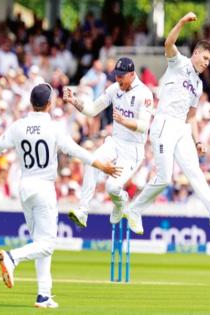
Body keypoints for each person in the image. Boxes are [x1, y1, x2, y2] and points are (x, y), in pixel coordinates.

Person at [0, 83, 121, 308]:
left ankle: (44, 295)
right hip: (43, 188)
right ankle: (12, 258)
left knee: (40, 241)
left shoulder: (19, 126)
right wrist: (103, 166)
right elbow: (78, 151)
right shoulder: (54, 128)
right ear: (50, 104)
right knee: (48, 243)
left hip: (25, 187)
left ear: (32, 103)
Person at [123, 12, 210, 235]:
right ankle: (134, 210)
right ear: (196, 53)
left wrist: (198, 139)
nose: (207, 64)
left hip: (182, 128)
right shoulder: (179, 62)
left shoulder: (199, 84)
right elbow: (168, 42)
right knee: (164, 178)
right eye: (205, 58)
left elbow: (192, 116)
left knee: (195, 171)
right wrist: (182, 22)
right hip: (164, 123)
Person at [63, 57, 154, 227]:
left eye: (121, 76)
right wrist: (74, 100)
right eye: (116, 75)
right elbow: (91, 110)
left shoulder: (144, 93)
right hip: (115, 142)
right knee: (92, 163)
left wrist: (125, 122)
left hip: (133, 149)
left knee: (111, 187)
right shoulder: (114, 89)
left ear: (132, 74)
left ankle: (121, 201)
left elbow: (144, 126)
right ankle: (83, 211)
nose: (118, 79)